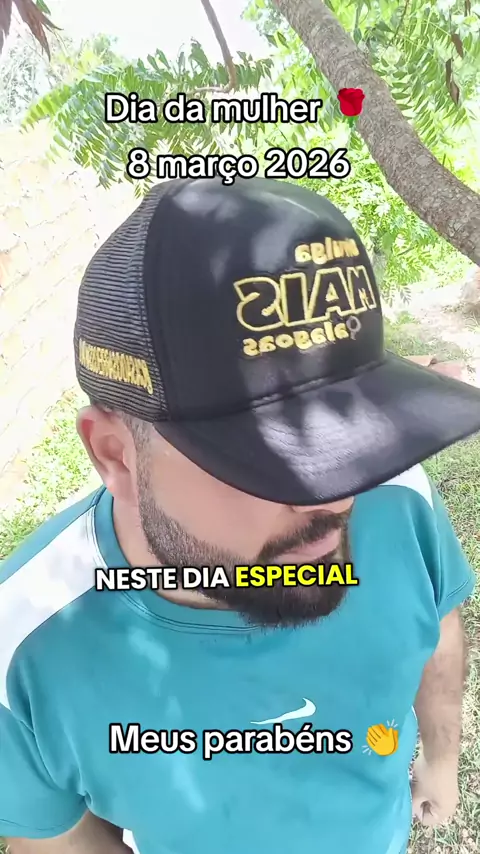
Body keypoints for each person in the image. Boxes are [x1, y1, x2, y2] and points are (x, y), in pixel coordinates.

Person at [1, 178, 479, 854]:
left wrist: (441, 757)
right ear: (115, 455)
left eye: (354, 442)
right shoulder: (23, 648)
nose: (338, 499)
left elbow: (437, 629)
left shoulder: (397, 497)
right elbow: (61, 839)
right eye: (264, 461)